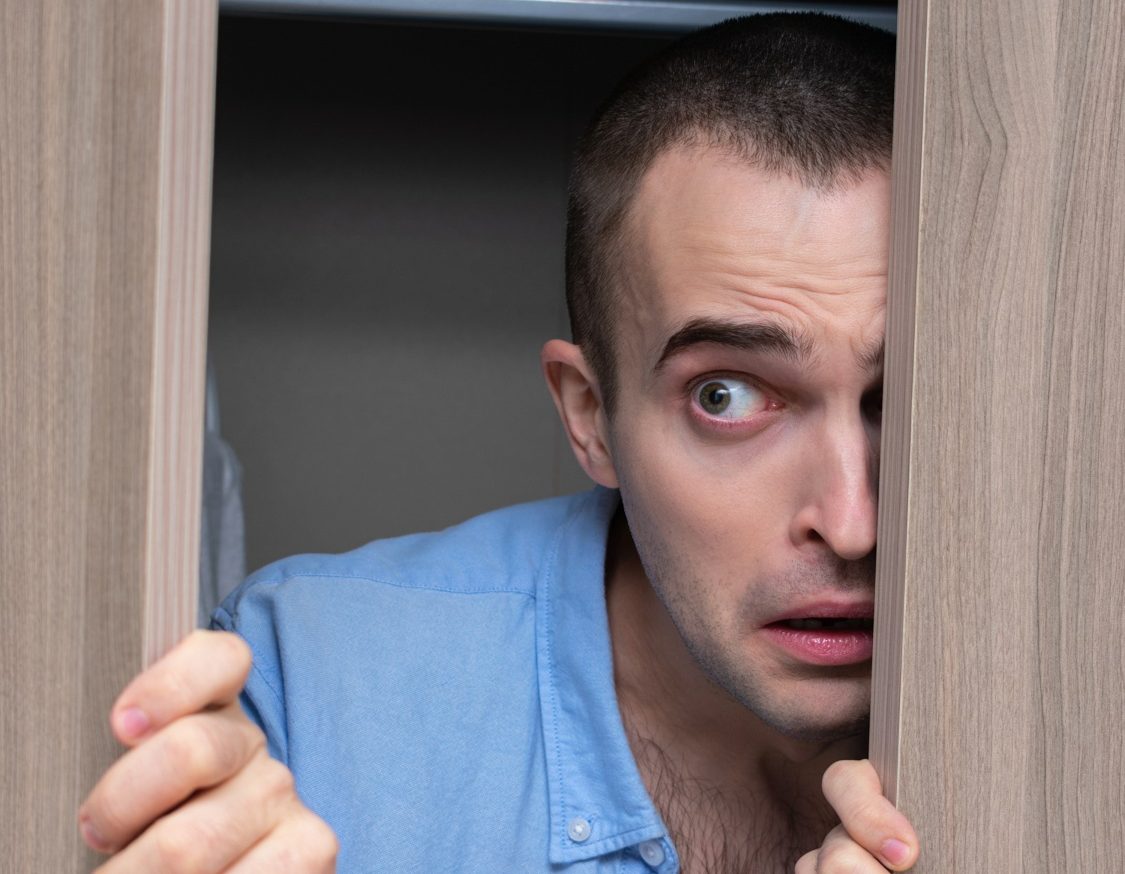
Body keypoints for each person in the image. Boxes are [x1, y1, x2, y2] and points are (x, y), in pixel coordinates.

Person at [79, 12, 919, 873]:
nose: (852, 525)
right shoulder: (308, 702)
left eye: (903, 397)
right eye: (725, 395)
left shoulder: (1047, 733)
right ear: (589, 417)